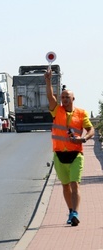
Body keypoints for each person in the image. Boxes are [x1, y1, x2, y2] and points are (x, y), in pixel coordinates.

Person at [45, 69, 94, 226]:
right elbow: (50, 97)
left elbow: (91, 129)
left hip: (76, 154)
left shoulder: (81, 113)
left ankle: (75, 213)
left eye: (68, 97)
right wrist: (48, 81)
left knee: (75, 184)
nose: (65, 99)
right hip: (59, 154)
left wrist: (84, 139)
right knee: (65, 186)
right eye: (63, 97)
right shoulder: (56, 110)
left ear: (73, 98)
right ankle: (70, 210)